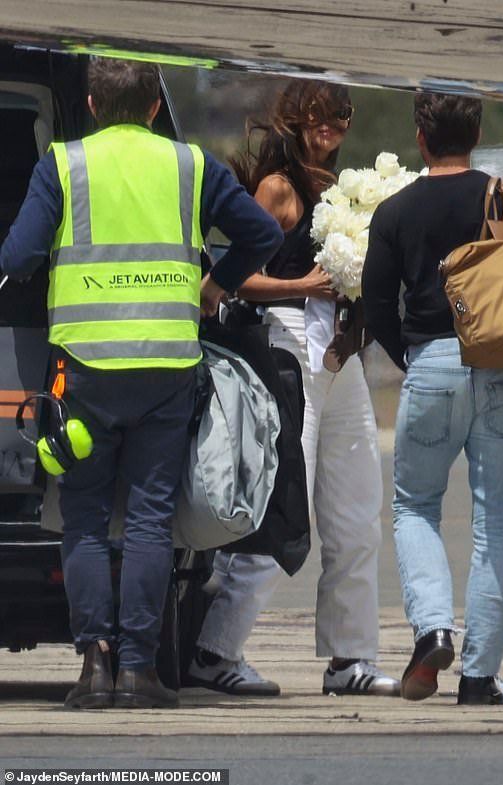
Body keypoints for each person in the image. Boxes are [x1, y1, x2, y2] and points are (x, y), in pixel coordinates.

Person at [0, 57, 283, 709]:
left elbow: (17, 257)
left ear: (93, 104)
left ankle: (94, 666)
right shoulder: (189, 166)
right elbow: (262, 233)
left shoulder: (65, 166)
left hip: (86, 371)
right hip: (165, 366)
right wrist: (214, 286)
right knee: (152, 519)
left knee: (86, 519)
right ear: (156, 108)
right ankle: (138, 671)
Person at [361, 91, 503, 705]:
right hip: (501, 370)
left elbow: (378, 303)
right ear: (476, 135)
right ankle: (480, 678)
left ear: (421, 138)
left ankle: (432, 627)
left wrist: (415, 359)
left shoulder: (395, 210)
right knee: (496, 524)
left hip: (430, 366)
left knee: (413, 507)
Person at [187, 79, 399, 697]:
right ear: (294, 121)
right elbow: (237, 279)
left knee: (359, 511)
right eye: (316, 116)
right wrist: (303, 286)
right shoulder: (278, 190)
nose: (329, 126)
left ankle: (350, 658)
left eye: (339, 115)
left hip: (339, 356)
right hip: (285, 351)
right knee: (281, 504)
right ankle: (213, 650)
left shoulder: (346, 193)